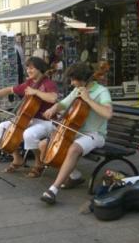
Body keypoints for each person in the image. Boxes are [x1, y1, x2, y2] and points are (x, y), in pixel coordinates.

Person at [38, 62, 113, 205]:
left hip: (95, 134)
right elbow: (64, 103)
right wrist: (54, 108)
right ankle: (74, 175)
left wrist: (88, 99)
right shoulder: (78, 90)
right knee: (43, 145)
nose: (72, 83)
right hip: (77, 131)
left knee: (73, 149)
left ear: (84, 79)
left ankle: (53, 189)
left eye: (74, 80)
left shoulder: (102, 91)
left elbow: (108, 113)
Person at [0, 57, 58, 175]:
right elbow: (9, 90)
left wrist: (36, 92)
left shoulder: (48, 83)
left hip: (46, 121)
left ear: (40, 69)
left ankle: (39, 163)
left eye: (31, 68)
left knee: (29, 134)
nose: (28, 71)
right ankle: (17, 158)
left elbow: (53, 98)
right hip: (30, 119)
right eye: (27, 68)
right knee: (3, 127)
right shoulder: (30, 83)